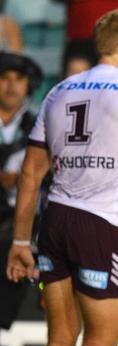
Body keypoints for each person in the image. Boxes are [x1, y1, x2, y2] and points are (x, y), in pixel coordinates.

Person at [5, 9, 118, 346]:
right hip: (99, 225)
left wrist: (21, 241)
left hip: (54, 222)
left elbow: (30, 175)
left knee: (61, 341)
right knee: (101, 344)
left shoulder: (57, 92)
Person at [0, 52, 43, 236]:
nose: (11, 86)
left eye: (19, 79)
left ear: (29, 85)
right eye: (4, 78)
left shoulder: (39, 126)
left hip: (22, 226)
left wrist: (24, 178)